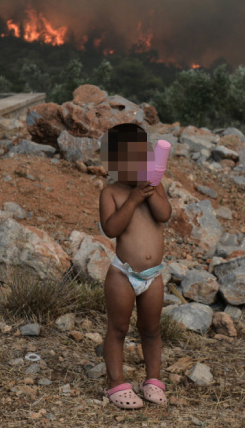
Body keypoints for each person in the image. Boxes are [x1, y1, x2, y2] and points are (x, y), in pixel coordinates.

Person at [98, 122, 172, 409]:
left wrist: (151, 192)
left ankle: (152, 381)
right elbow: (111, 228)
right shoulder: (111, 193)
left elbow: (164, 215)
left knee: (151, 329)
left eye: (142, 158)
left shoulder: (155, 186)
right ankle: (116, 383)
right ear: (114, 163)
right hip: (123, 274)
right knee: (118, 328)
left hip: (153, 277)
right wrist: (133, 198)